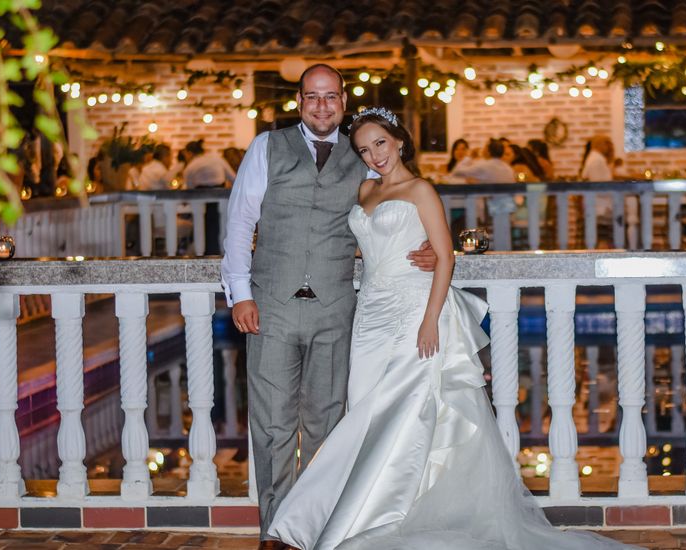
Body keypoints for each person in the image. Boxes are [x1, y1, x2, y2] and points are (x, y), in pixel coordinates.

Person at [267, 107, 636, 550]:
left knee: (403, 411)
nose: (375, 154)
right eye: (365, 148)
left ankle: (374, 520)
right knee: (365, 413)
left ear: (399, 141)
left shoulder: (421, 189)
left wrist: (429, 321)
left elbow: (445, 257)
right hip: (369, 315)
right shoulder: (363, 189)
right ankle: (367, 512)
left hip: (415, 312)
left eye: (380, 143)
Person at [221, 65, 436, 549]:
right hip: (270, 306)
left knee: (327, 423)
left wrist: (429, 249)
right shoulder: (266, 147)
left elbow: (397, 209)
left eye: (331, 97)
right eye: (312, 97)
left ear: (343, 100)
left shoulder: (364, 156)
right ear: (299, 100)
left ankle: (315, 526)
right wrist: (241, 294)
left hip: (338, 308)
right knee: (272, 423)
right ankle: (275, 530)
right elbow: (239, 224)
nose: (322, 106)